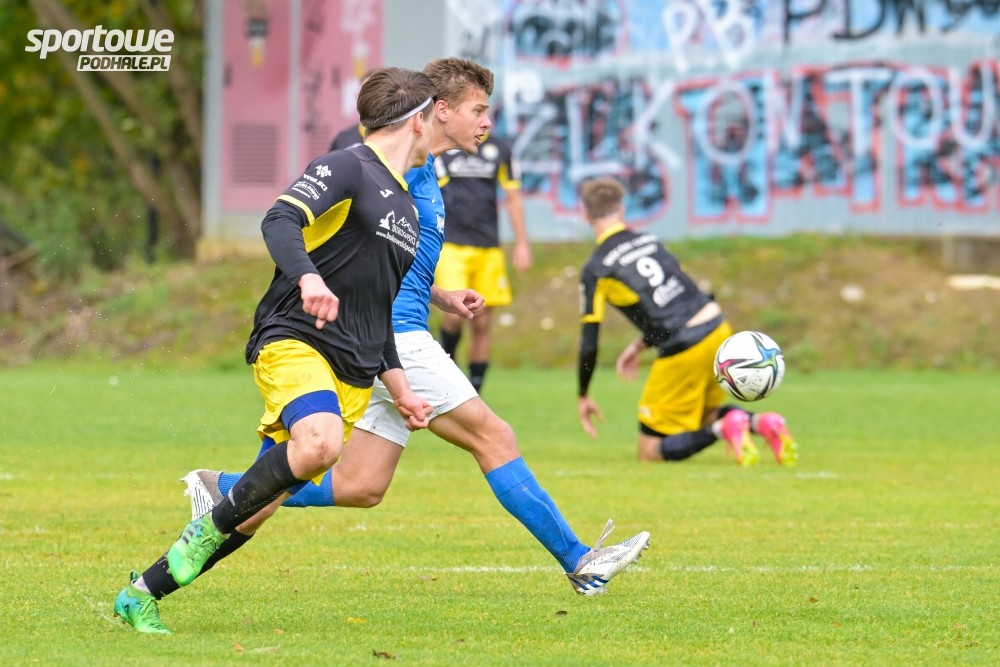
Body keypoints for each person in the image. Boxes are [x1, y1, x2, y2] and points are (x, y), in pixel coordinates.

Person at [182, 58, 649, 605]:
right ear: (439, 110)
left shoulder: (425, 170)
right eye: (478, 110)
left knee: (361, 486)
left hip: (387, 333)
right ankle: (579, 561)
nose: (487, 123)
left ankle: (225, 488)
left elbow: (387, 257)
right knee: (494, 437)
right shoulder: (396, 166)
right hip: (393, 337)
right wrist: (315, 280)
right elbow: (347, 241)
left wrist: (439, 294)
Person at [113, 67, 439, 634]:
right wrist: (308, 277)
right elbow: (281, 218)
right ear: (418, 120)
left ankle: (141, 593)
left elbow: (378, 307)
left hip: (354, 372)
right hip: (297, 339)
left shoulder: (407, 210)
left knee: (256, 506)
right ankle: (203, 530)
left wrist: (401, 388)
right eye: (436, 118)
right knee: (321, 444)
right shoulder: (348, 166)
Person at [574, 176, 799, 467]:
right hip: (717, 328)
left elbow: (589, 341)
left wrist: (583, 393)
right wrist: (641, 345)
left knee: (649, 450)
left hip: (685, 345)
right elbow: (675, 298)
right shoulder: (650, 241)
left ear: (585, 213)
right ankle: (763, 423)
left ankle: (725, 428)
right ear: (621, 209)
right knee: (703, 414)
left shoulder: (596, 268)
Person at [435, 133, 530, 393]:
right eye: (477, 113)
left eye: (484, 113)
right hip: (451, 245)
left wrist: (522, 243)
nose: (483, 120)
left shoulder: (501, 149)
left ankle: (474, 391)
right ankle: (447, 365)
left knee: (482, 321)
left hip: (488, 248)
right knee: (453, 314)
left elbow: (513, 196)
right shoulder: (445, 147)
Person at [328, 70, 375, 151]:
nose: (370, 98)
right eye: (365, 91)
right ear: (357, 96)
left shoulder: (395, 139)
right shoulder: (342, 140)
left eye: (375, 92)